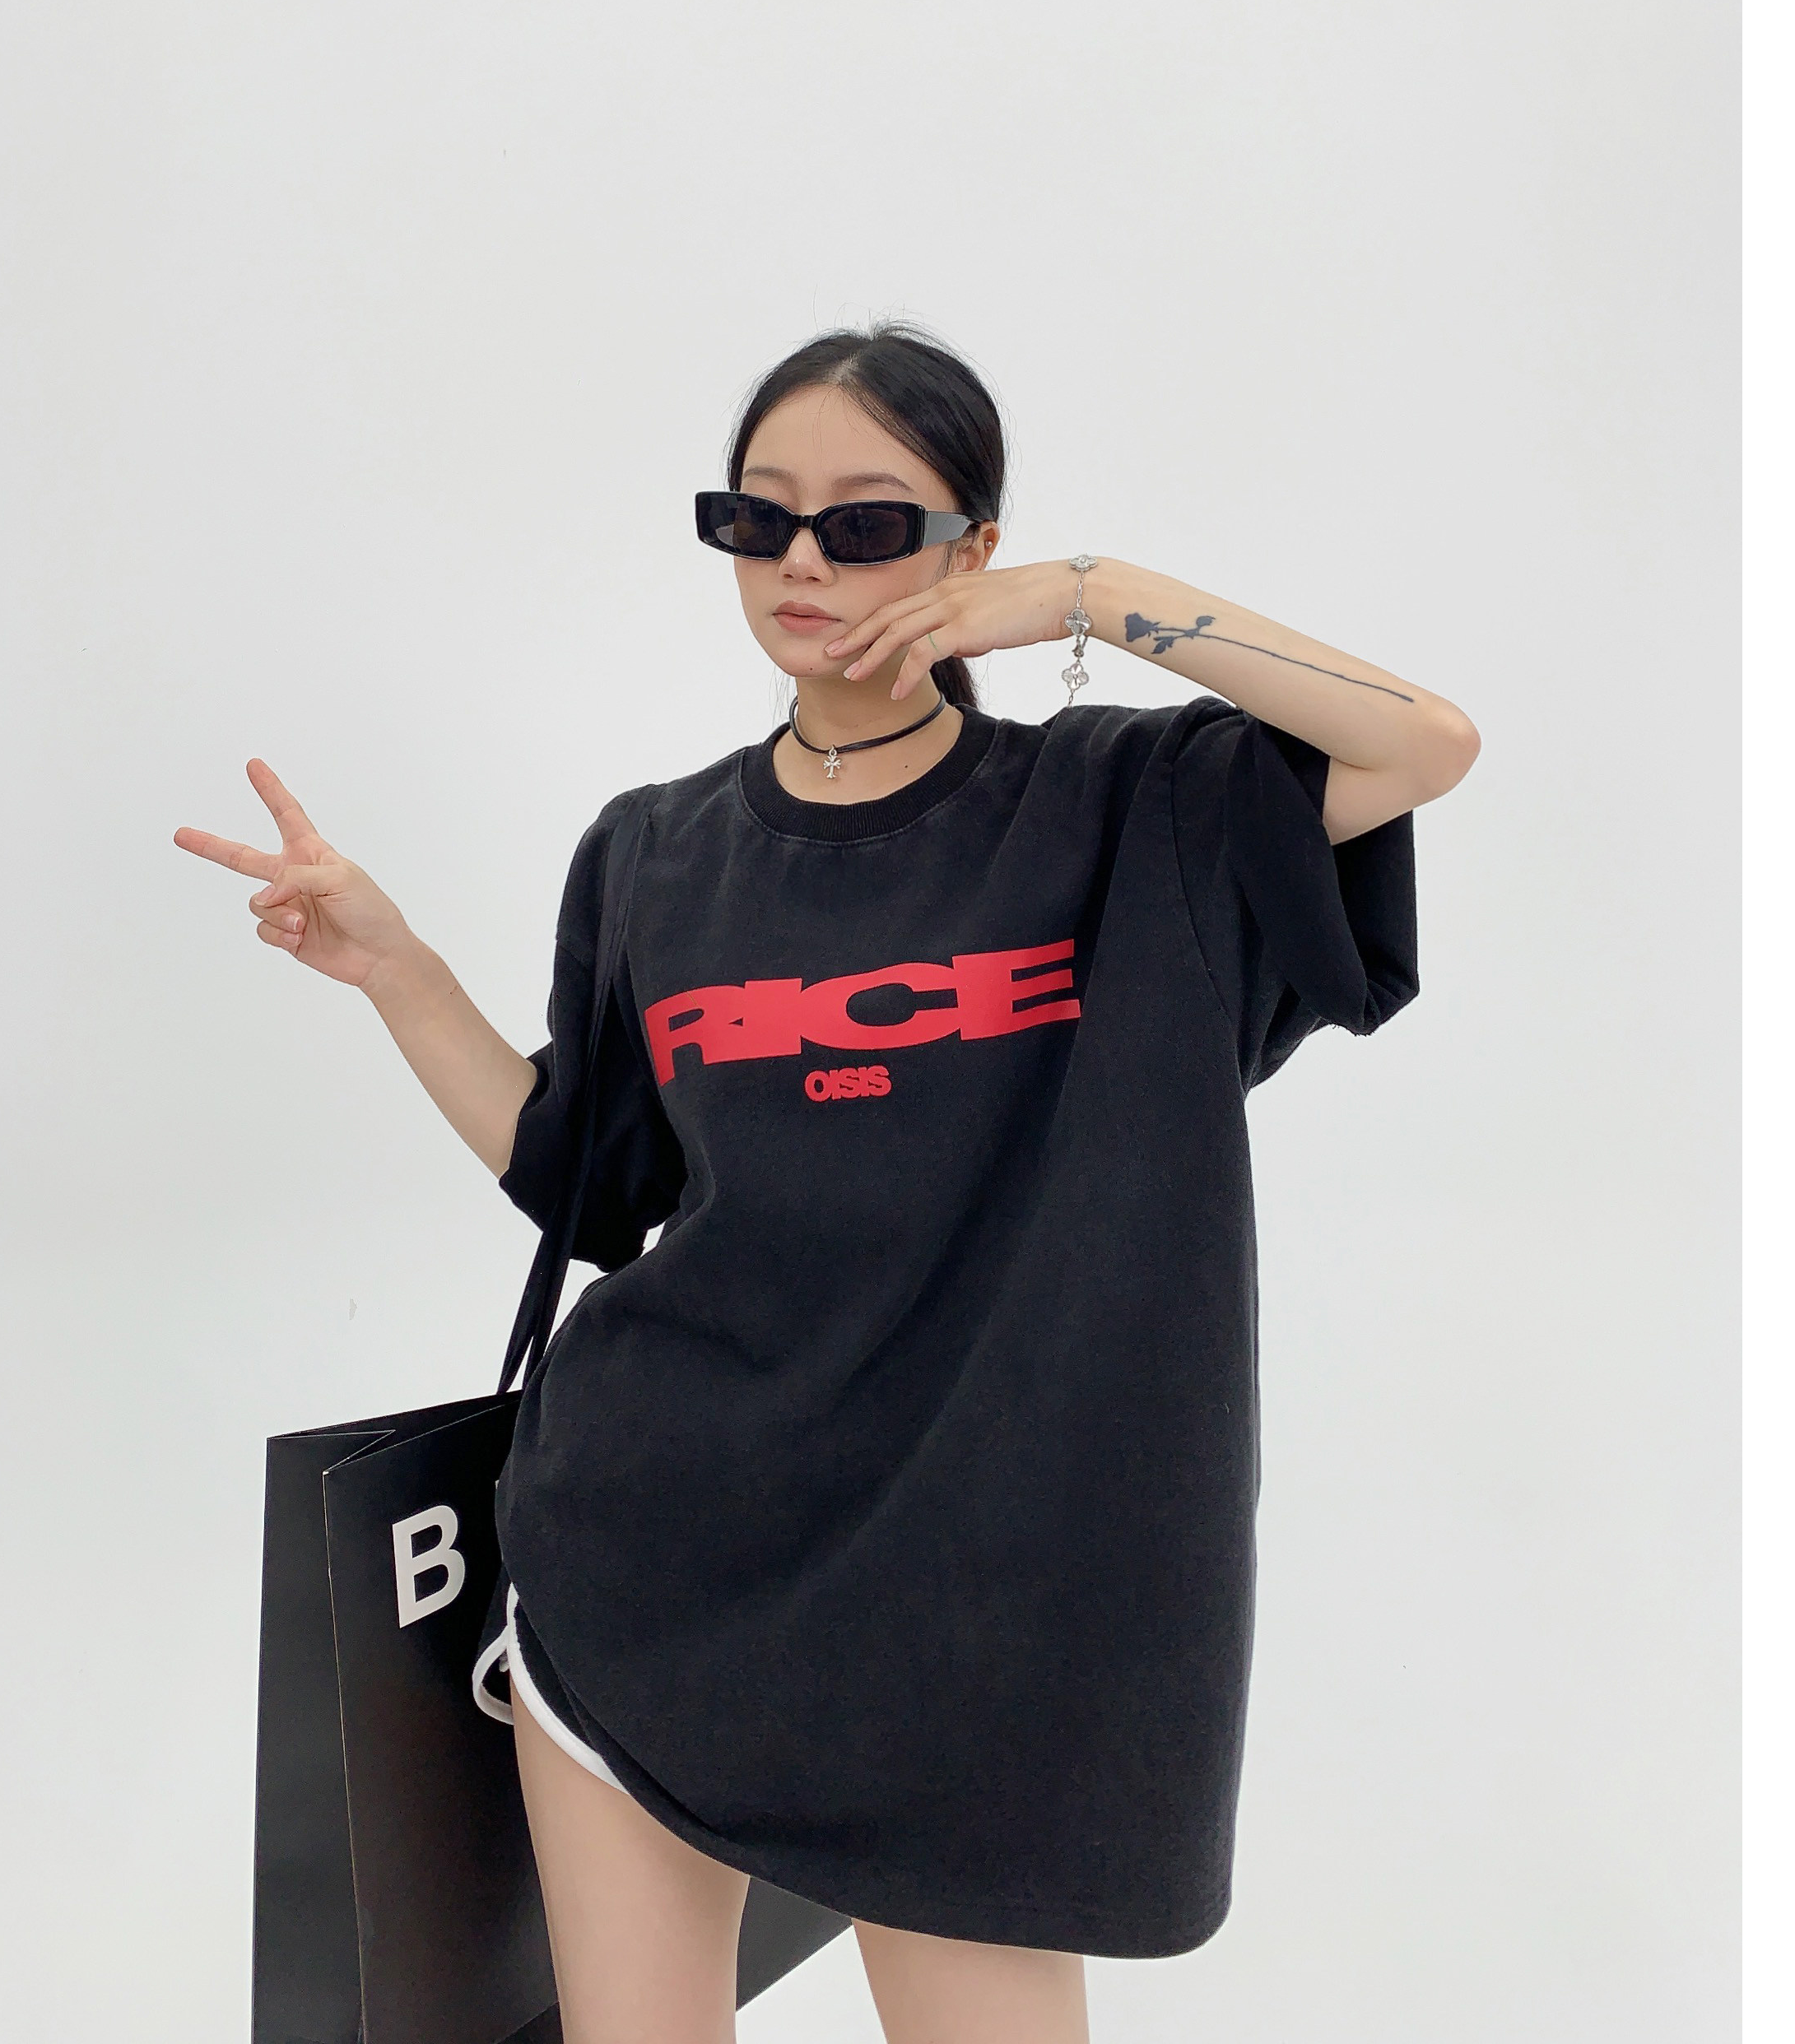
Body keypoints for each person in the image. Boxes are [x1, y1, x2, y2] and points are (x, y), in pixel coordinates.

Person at [178, 325, 1479, 2044]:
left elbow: (1421, 743)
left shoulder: (1134, 807)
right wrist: (399, 970)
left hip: (979, 1608)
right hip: (648, 1562)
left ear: (973, 547)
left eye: (865, 523)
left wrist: (1091, 597)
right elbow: (592, 1189)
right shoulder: (656, 851)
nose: (802, 560)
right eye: (757, 517)